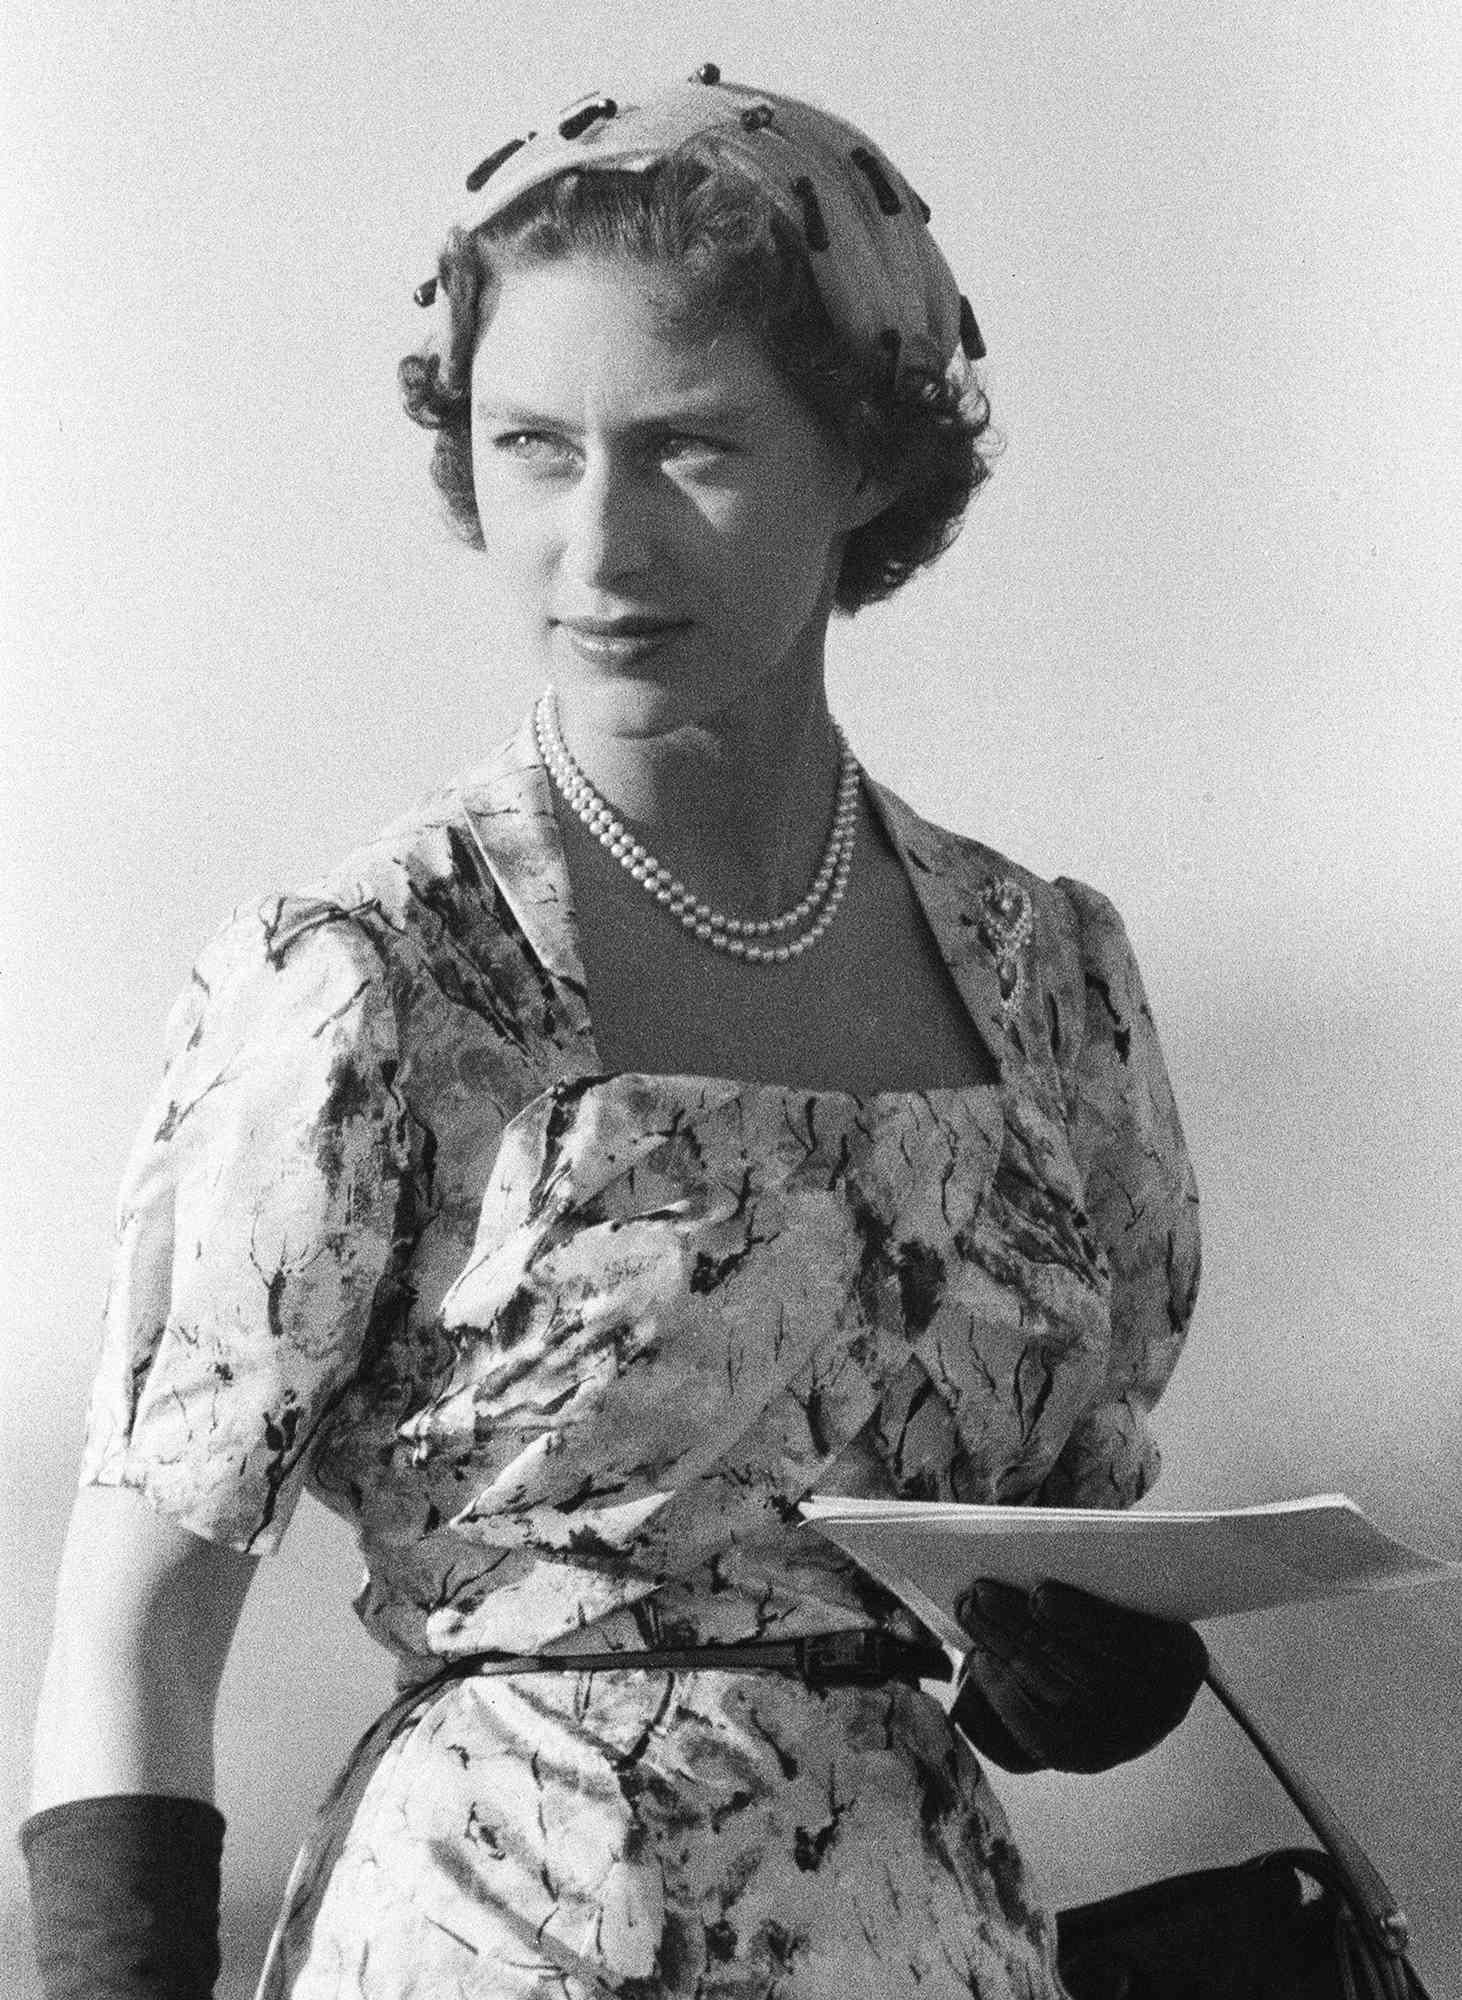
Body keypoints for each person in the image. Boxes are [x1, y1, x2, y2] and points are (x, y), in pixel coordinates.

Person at [23, 68, 1206, 2000]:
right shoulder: (371, 980)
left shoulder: (1046, 977)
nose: (596, 542)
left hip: (934, 1949)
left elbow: (1058, 1591)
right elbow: (134, 1632)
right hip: (494, 1942)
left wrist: (1091, 1671)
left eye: (689, 447)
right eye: (529, 447)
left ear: (872, 462)